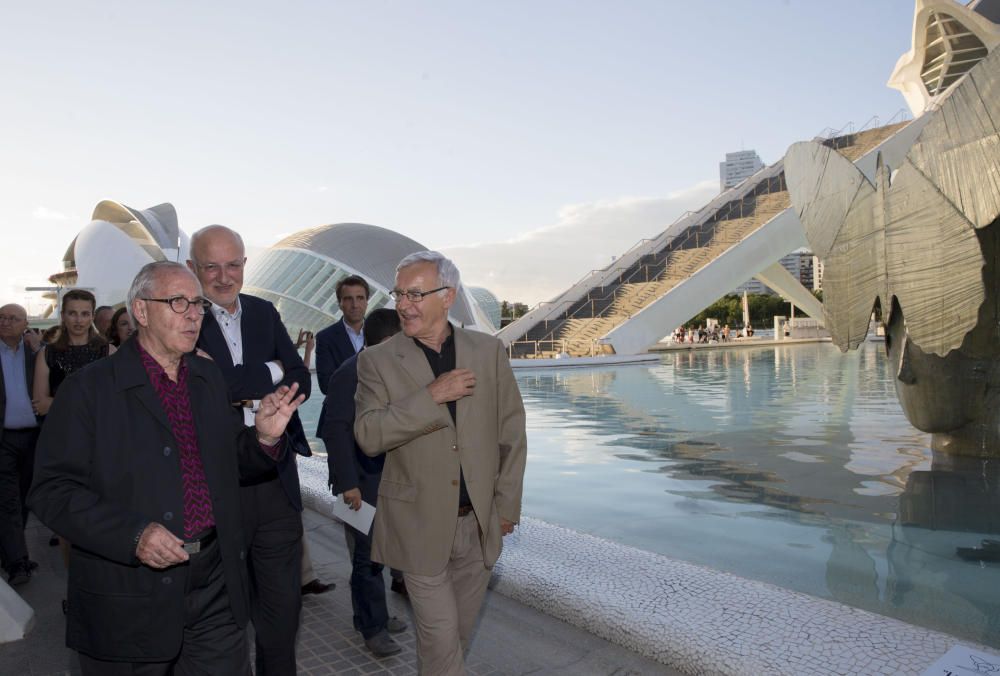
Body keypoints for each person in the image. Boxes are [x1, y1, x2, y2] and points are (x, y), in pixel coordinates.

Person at [28, 261, 305, 674]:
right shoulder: (89, 389)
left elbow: (228, 462)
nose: (194, 315)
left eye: (198, 304)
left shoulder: (207, 378)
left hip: (215, 586)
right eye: (179, 302)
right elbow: (51, 491)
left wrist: (264, 438)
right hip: (129, 594)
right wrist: (133, 535)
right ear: (141, 311)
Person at [354, 251, 527, 675]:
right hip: (417, 525)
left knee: (451, 642)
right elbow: (368, 435)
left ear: (448, 296)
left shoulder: (487, 351)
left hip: (478, 525)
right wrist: (429, 397)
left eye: (416, 294)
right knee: (440, 639)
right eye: (399, 294)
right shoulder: (376, 360)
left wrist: (506, 507)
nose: (403, 304)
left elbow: (512, 434)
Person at [187, 224, 322, 675]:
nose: (224, 277)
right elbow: (199, 387)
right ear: (193, 269)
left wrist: (240, 383)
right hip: (217, 485)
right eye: (211, 267)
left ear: (245, 264)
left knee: (283, 613)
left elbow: (301, 377)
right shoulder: (184, 318)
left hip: (274, 482)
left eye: (232, 265)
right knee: (225, 613)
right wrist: (271, 371)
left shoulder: (264, 312)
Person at [322, 309, 408, 657]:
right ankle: (372, 628)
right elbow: (335, 430)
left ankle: (375, 615)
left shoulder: (385, 368)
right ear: (385, 341)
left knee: (381, 552)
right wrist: (348, 484)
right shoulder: (350, 374)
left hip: (384, 478)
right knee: (367, 557)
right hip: (358, 481)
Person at [0, 304, 40, 584]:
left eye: (13, 318)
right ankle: (17, 562)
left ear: (25, 323)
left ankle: (12, 552)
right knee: (8, 501)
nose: (5, 322)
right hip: (4, 439)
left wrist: (38, 349)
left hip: (34, 438)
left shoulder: (35, 354)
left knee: (25, 498)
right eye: (1, 317)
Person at [32, 289, 111, 418]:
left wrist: (56, 403)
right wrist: (92, 403)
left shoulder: (108, 351)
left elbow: (113, 400)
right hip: (60, 430)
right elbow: (41, 405)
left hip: (99, 430)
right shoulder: (47, 353)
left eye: (85, 314)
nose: (78, 320)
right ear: (63, 315)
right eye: (72, 313)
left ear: (92, 316)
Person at [315, 274, 370, 437]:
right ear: (340, 303)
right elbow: (326, 384)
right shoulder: (325, 338)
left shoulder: (379, 333)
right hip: (339, 424)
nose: (355, 305)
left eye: (360, 298)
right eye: (348, 299)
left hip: (375, 421)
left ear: (367, 301)